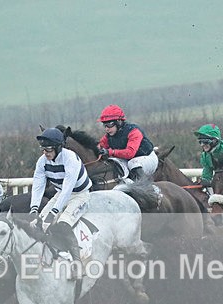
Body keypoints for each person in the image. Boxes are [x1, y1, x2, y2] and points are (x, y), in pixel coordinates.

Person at [30, 127, 91, 275]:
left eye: (49, 149)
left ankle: (78, 264)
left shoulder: (70, 158)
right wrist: (34, 209)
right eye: (43, 149)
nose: (45, 153)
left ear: (58, 147)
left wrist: (54, 212)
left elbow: (68, 188)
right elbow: (38, 186)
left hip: (79, 194)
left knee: (63, 224)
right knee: (37, 225)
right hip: (60, 194)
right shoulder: (42, 161)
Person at [97, 104, 158, 182]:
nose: (107, 129)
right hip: (128, 160)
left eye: (109, 124)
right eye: (105, 125)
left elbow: (130, 153)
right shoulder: (108, 136)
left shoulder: (133, 131)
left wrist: (110, 152)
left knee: (133, 163)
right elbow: (99, 147)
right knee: (114, 163)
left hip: (147, 158)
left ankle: (146, 188)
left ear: (118, 122)